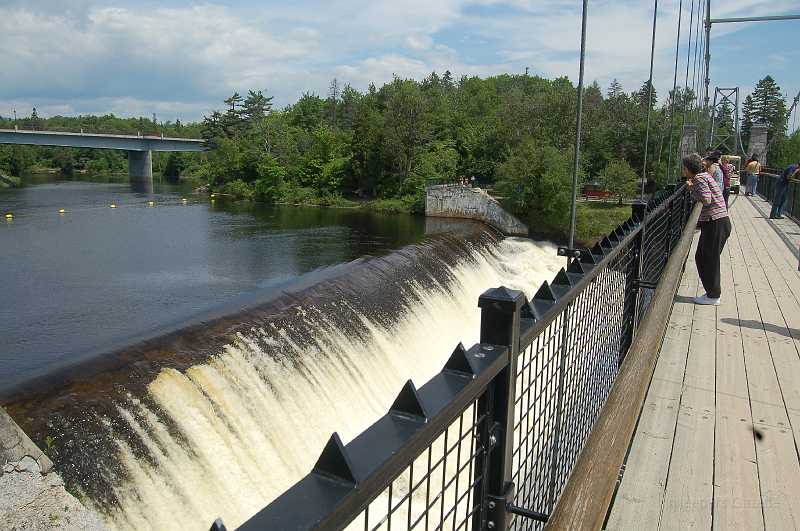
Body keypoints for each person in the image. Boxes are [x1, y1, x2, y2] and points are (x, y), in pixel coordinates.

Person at [684, 153, 731, 305]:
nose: (683, 171)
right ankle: (712, 293)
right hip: (718, 222)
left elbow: (706, 198)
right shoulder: (704, 175)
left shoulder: (699, 178)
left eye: (684, 168)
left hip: (715, 223)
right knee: (705, 257)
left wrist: (692, 189)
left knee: (708, 259)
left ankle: (713, 295)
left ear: (688, 169)